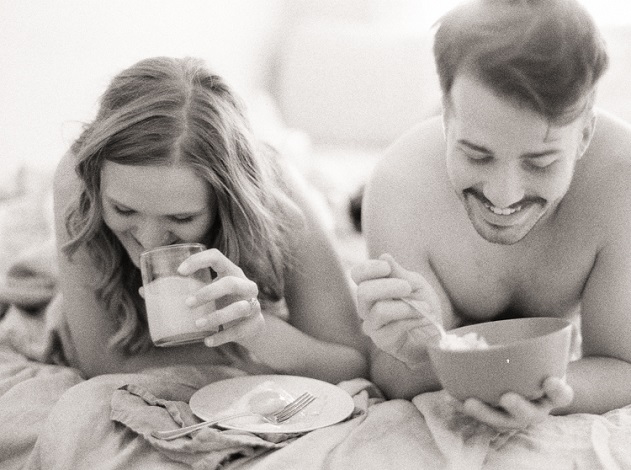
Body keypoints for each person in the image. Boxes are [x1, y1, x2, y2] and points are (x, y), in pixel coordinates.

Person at [351, 0, 631, 431]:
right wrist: (419, 351)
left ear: (585, 134)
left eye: (540, 163)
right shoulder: (398, 186)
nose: (504, 195)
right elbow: (394, 373)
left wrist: (549, 392)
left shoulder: (621, 179)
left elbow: (621, 364)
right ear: (446, 118)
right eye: (476, 155)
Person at [53, 56, 368, 383]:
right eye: (123, 210)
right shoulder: (77, 183)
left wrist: (259, 334)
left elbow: (351, 361)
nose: (149, 241)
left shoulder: (277, 200)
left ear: (227, 203)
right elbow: (102, 363)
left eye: (181, 217)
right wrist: (241, 356)